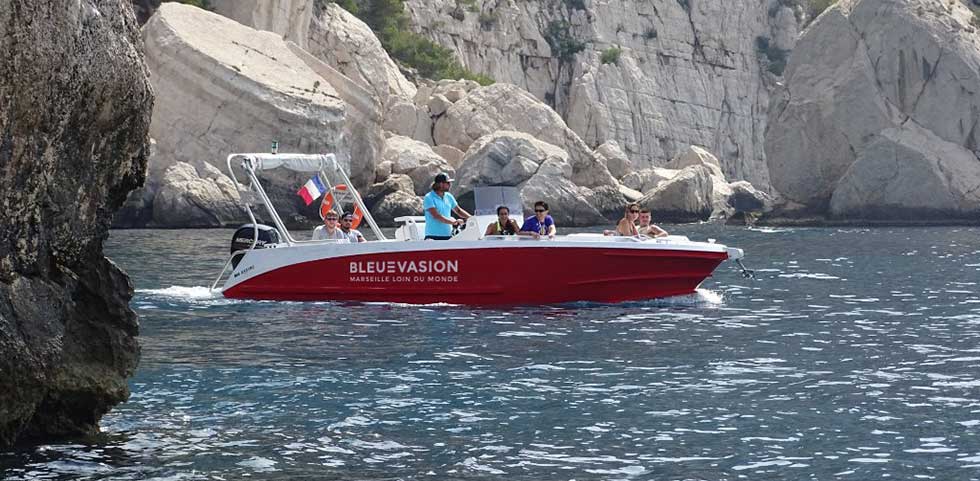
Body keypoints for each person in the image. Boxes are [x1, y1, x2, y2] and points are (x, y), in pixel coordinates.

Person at [423, 172, 471, 240]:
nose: (450, 185)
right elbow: (437, 216)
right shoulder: (428, 197)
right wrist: (454, 222)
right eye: (448, 183)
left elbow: (458, 210)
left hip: (448, 236)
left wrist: (472, 218)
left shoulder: (449, 196)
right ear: (441, 184)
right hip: (433, 237)